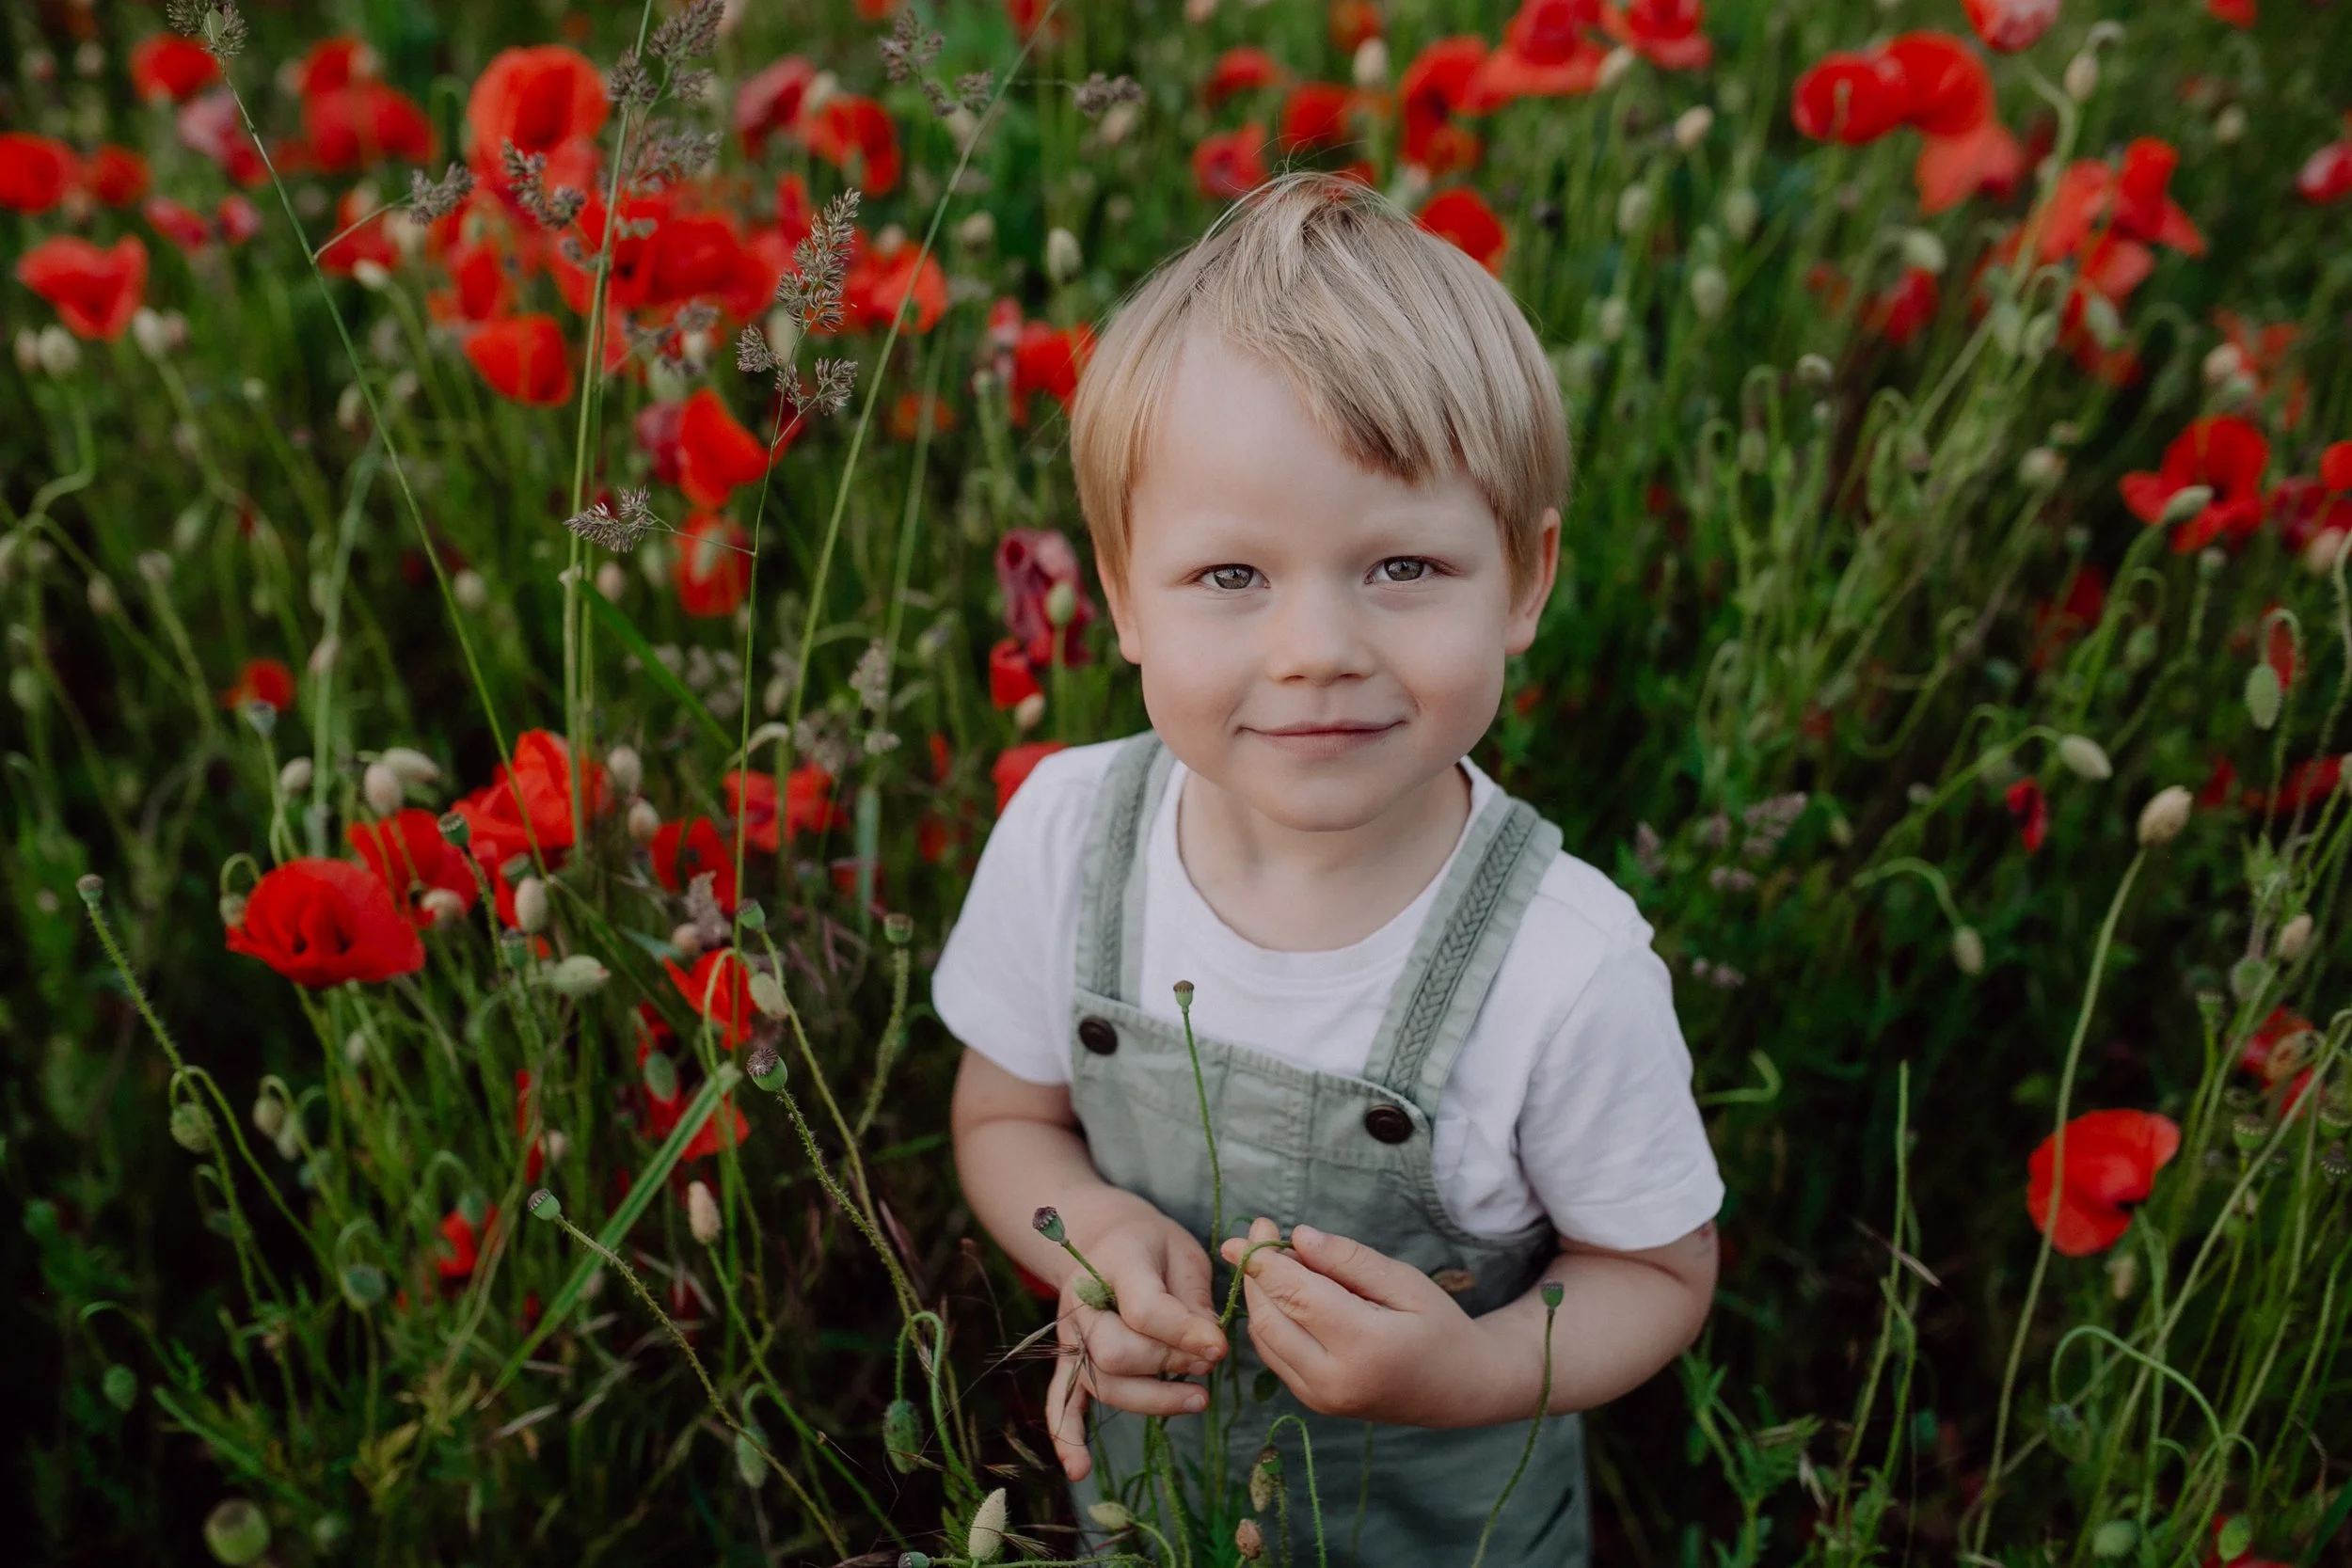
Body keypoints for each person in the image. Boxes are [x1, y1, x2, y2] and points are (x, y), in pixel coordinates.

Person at [937, 171, 1722, 1566]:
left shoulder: (1562, 963)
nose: (1317, 646)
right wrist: (1094, 1235)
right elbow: (1006, 1120)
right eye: (1231, 577)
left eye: (1404, 566)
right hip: (1153, 1520)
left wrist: (1469, 1372)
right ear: (1120, 594)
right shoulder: (1069, 835)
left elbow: (1656, 1270)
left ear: (1525, 582)